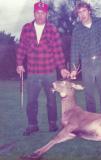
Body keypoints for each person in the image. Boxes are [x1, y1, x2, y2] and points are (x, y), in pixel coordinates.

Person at [16, 1, 70, 136]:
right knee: (31, 101)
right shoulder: (26, 28)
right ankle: (32, 125)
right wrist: (19, 63)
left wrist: (62, 68)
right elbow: (22, 47)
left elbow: (57, 50)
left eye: (43, 13)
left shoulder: (52, 29)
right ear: (34, 13)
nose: (40, 16)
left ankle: (53, 124)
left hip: (49, 73)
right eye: (37, 13)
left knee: (51, 101)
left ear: (47, 14)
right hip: (33, 72)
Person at [70, 2, 101, 115]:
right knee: (89, 96)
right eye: (79, 12)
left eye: (84, 11)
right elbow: (74, 49)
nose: (82, 14)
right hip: (86, 63)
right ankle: (91, 125)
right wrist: (73, 68)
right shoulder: (77, 29)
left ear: (89, 11)